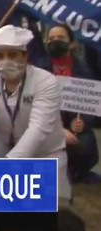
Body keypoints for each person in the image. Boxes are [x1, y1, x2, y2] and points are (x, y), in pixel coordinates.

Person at [0, 25, 71, 204]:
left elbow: (39, 128)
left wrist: (9, 163)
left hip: (45, 156)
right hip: (2, 154)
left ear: (25, 56)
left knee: (57, 214)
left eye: (12, 55)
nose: (5, 61)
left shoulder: (45, 81)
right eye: (0, 55)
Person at [37, 24, 99, 183]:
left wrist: (82, 122)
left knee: (85, 145)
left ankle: (75, 170)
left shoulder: (83, 70)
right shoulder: (39, 69)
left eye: (60, 38)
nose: (55, 41)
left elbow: (91, 104)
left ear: (71, 43)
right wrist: (58, 129)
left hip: (73, 127)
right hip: (46, 125)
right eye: (51, 39)